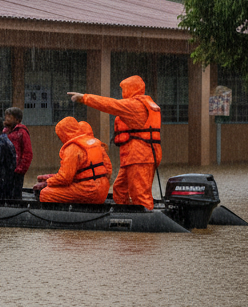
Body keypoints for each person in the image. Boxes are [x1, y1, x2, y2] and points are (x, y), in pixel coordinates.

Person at [68, 75, 162, 210]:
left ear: (131, 89)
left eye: (124, 89)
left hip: (140, 156)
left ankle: (145, 218)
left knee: (140, 194)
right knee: (120, 189)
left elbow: (109, 104)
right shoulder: (141, 105)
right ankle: (125, 215)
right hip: (135, 156)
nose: (122, 93)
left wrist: (85, 98)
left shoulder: (135, 106)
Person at [34, 117, 112, 204]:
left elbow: (65, 178)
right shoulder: (96, 143)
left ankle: (65, 211)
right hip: (103, 191)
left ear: (63, 133)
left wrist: (47, 182)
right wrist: (51, 177)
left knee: (45, 193)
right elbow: (108, 169)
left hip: (89, 191)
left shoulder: (72, 148)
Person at [3, 107, 33, 197]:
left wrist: (20, 169)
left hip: (16, 170)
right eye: (6, 116)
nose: (6, 119)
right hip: (5, 170)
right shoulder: (4, 132)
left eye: (9, 117)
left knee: (15, 195)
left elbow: (28, 152)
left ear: (17, 120)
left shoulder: (22, 132)